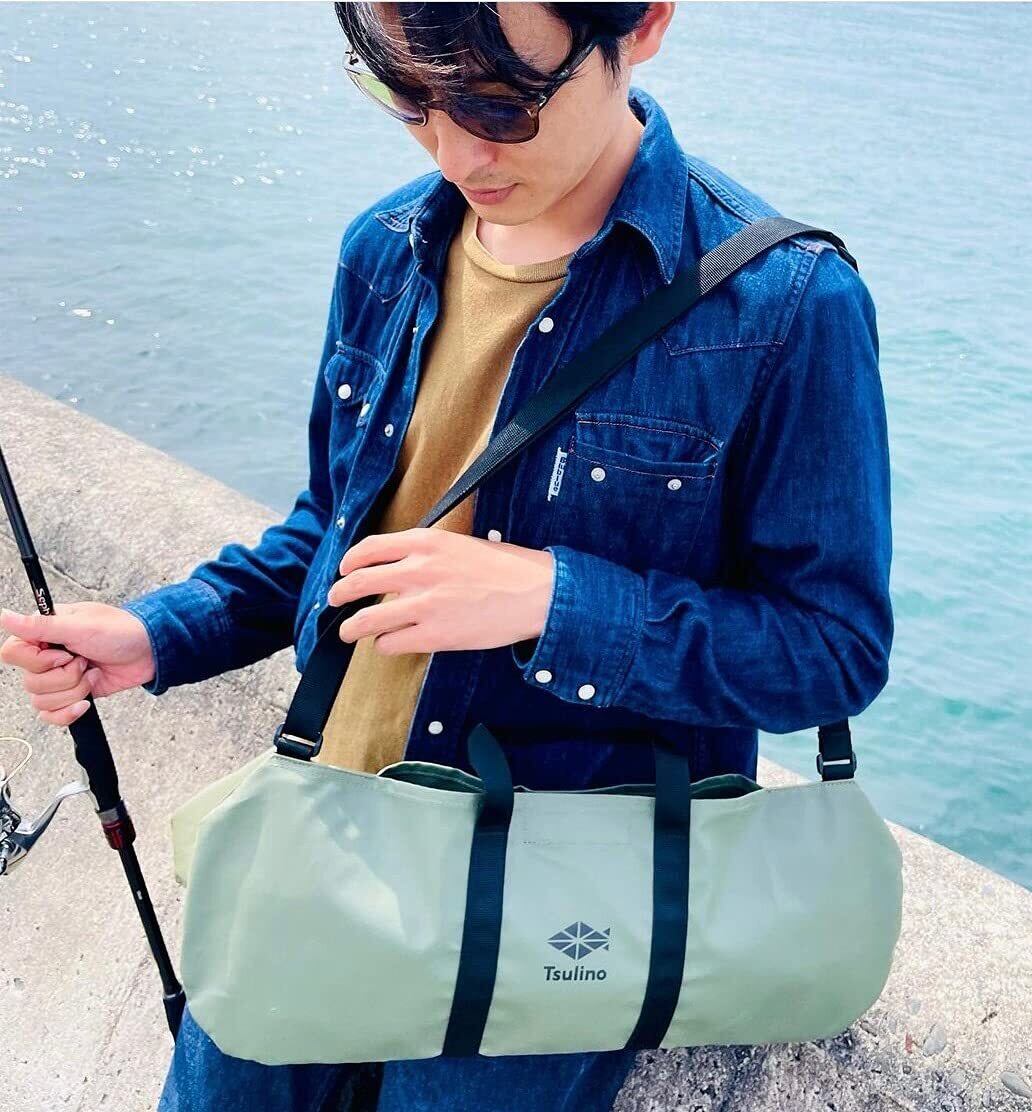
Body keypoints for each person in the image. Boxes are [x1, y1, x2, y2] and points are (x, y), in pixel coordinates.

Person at [0, 2, 893, 1109]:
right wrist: (157, 632)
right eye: (410, 97)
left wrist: (551, 601)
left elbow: (832, 651)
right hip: (316, 846)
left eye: (499, 104)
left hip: (554, 918)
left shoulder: (789, 305)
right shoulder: (384, 250)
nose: (458, 152)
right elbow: (335, 530)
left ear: (643, 23)